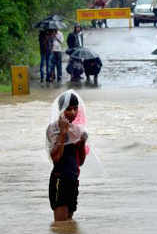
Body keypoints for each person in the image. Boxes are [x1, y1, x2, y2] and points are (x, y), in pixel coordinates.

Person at [46, 90, 88, 222]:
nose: (73, 113)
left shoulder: (77, 130)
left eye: (75, 109)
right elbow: (56, 158)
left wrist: (82, 143)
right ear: (61, 110)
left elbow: (80, 162)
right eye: (68, 109)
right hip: (60, 180)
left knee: (69, 224)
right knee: (60, 224)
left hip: (73, 180)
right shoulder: (53, 129)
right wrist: (63, 134)